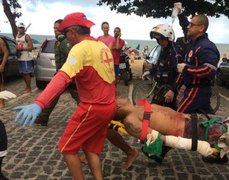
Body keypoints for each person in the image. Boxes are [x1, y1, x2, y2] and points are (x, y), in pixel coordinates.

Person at [13, 12, 116, 179]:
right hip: (108, 105)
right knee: (91, 149)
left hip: (92, 107)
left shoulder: (80, 48)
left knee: (67, 148)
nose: (65, 38)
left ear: (72, 32)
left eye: (65, 33)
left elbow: (62, 77)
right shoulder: (102, 46)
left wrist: (40, 103)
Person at [98, 23, 138, 169]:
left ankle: (113, 104)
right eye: (109, 28)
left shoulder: (119, 41)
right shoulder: (98, 38)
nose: (111, 31)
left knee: (112, 85)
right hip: (101, 63)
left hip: (113, 63)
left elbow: (114, 48)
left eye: (115, 30)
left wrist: (117, 37)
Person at [35, 19, 79, 127]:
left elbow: (73, 57)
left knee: (79, 98)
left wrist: (68, 70)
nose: (55, 30)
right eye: (54, 28)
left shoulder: (64, 43)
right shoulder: (59, 42)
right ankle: (43, 117)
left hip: (68, 76)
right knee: (53, 96)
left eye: (57, 28)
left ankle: (90, 116)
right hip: (61, 75)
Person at [177, 14, 220, 114]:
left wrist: (186, 68)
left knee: (178, 117)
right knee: (206, 117)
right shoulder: (193, 43)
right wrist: (180, 14)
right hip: (191, 88)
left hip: (197, 90)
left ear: (201, 28)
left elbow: (209, 70)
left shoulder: (206, 46)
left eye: (191, 25)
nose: (188, 26)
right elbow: (185, 26)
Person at [142, 24, 179, 110]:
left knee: (168, 115)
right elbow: (160, 65)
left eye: (162, 39)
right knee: (152, 110)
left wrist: (173, 90)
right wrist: (150, 71)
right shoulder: (164, 50)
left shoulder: (175, 52)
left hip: (170, 91)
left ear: (169, 38)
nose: (160, 42)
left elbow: (180, 75)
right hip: (161, 88)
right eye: (158, 40)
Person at [15, 22, 34, 94]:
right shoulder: (17, 36)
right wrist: (16, 50)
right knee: (23, 73)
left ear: (24, 28)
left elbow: (31, 47)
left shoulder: (27, 36)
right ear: (17, 28)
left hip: (26, 58)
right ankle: (27, 87)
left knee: (26, 73)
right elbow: (16, 44)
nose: (21, 29)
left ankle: (29, 88)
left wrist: (22, 49)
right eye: (20, 28)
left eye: (22, 28)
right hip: (20, 57)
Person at [0, 37, 9, 108]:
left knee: (1, 85)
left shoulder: (0, 40)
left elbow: (6, 52)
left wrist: (2, 65)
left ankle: (2, 103)